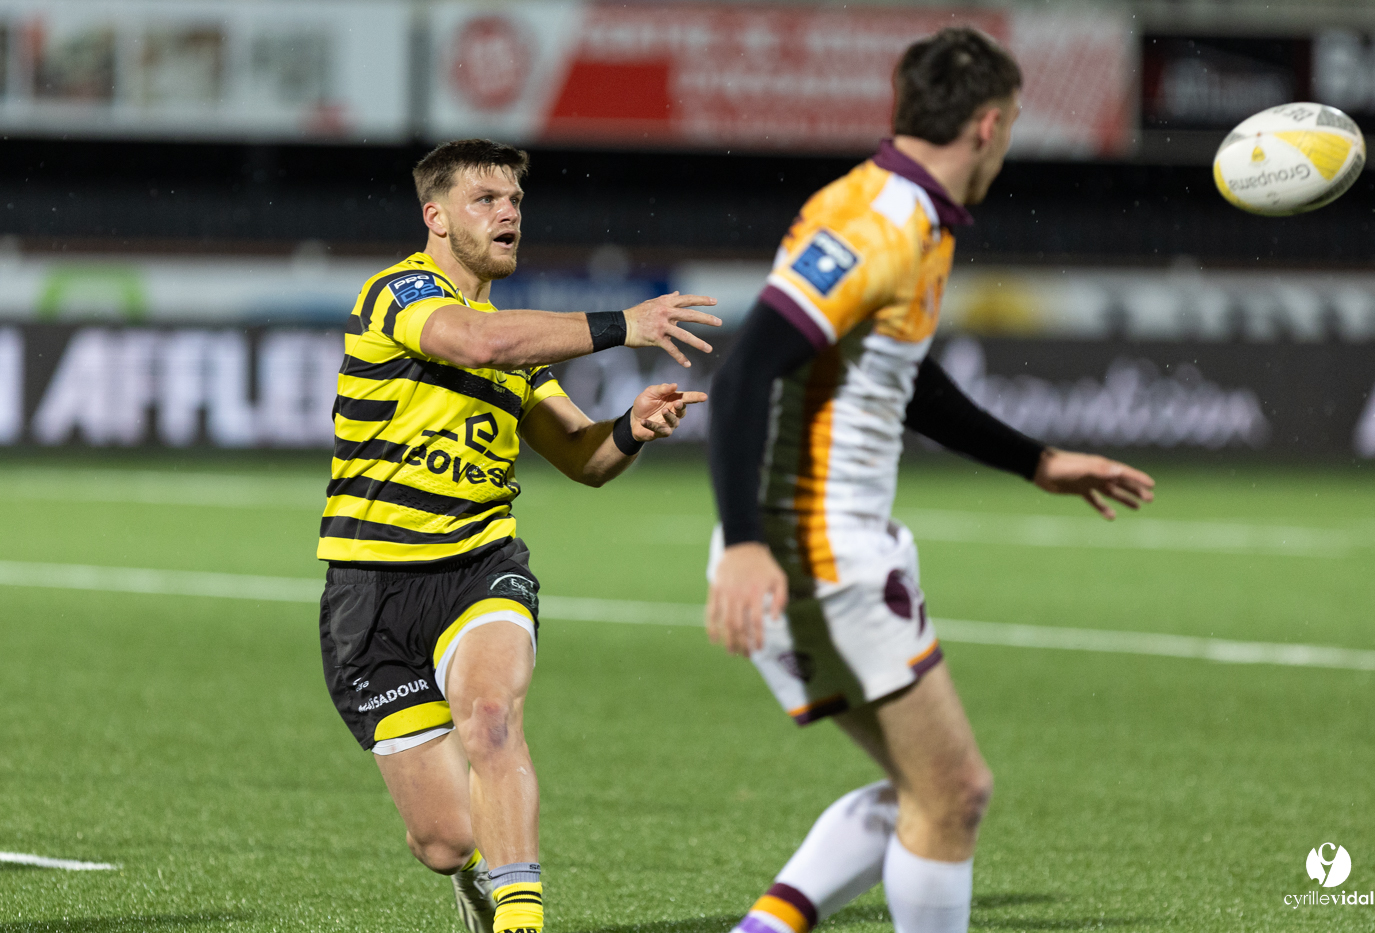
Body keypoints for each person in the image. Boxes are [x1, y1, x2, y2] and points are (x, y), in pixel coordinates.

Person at [705, 28, 1155, 933]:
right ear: (988, 124)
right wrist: (749, 543)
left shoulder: (897, 209)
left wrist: (1037, 461)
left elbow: (902, 377)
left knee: (925, 790)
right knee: (954, 794)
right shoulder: (883, 222)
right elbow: (745, 367)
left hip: (811, 547)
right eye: (1016, 125)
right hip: (819, 550)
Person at [318, 138, 718, 933]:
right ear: (434, 217)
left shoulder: (516, 347)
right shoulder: (398, 294)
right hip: (371, 589)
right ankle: (471, 878)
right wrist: (622, 324)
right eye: (485, 200)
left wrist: (630, 430)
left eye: (515, 202)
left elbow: (584, 457)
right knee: (444, 839)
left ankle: (521, 921)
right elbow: (474, 343)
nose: (508, 214)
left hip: (480, 568)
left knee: (493, 716)